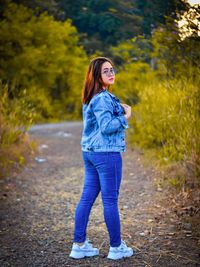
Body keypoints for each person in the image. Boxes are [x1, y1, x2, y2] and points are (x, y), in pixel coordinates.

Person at [69, 57, 135, 260]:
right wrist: (125, 116)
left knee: (87, 197)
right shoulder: (103, 98)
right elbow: (106, 127)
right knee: (110, 200)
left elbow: (97, 124)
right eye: (106, 71)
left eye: (112, 69)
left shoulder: (91, 97)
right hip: (106, 154)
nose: (111, 73)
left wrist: (117, 107)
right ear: (96, 75)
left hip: (89, 152)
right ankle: (116, 248)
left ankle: (79, 244)